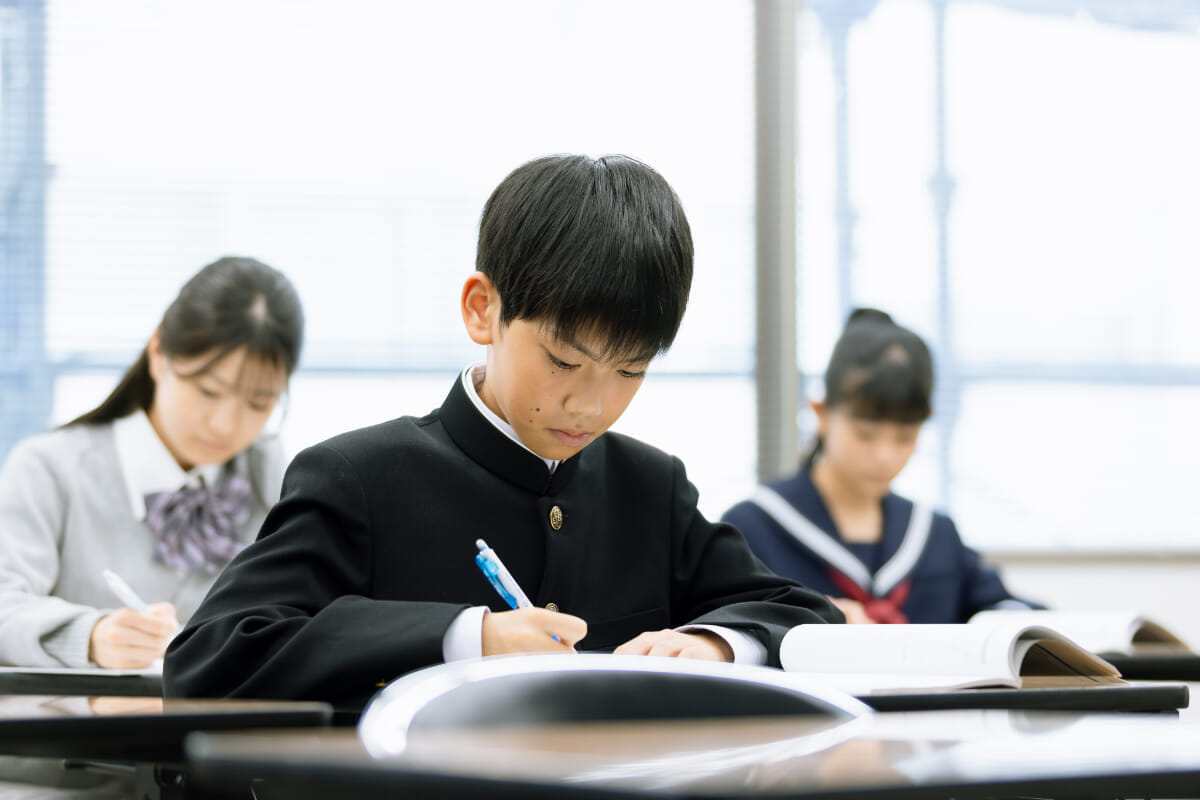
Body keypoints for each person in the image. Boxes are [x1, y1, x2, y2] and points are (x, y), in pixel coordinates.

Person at [163, 154, 842, 710]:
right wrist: (467, 637)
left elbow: (805, 616)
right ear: (482, 309)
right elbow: (209, 656)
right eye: (563, 362)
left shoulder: (650, 487)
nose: (590, 406)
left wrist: (715, 644)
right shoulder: (360, 477)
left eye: (630, 370)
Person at [0, 256, 304, 670]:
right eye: (209, 391)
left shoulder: (271, 474)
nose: (225, 424)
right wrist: (90, 636)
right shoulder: (49, 469)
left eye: (259, 403)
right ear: (158, 353)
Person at [723, 308, 1038, 624]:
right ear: (822, 414)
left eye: (905, 437)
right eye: (866, 434)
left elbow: (1004, 608)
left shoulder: (935, 535)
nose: (885, 455)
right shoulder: (752, 529)